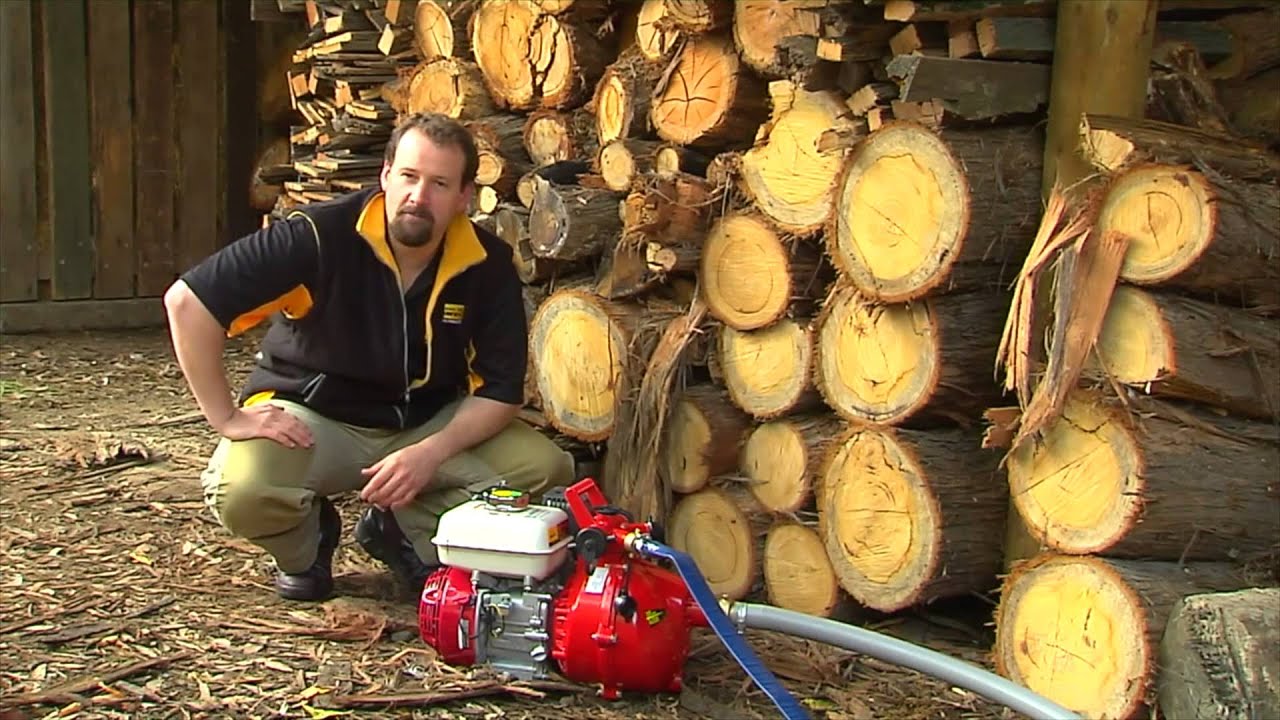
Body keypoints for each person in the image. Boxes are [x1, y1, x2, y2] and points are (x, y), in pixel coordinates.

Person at [163, 112, 575, 602]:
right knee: (240, 489)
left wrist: (430, 453)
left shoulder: (487, 264)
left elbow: (501, 391)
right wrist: (227, 417)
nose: (418, 197)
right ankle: (307, 545)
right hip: (316, 423)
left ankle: (409, 532)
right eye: (408, 176)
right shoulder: (319, 236)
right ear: (385, 175)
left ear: (465, 196)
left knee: (543, 468)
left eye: (439, 183)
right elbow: (187, 303)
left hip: (425, 425)